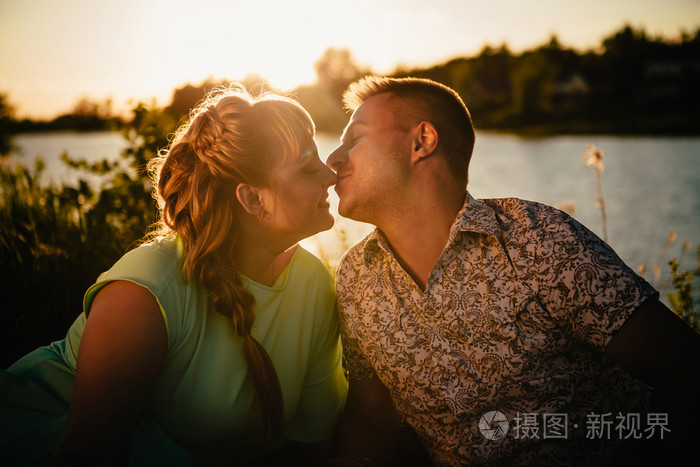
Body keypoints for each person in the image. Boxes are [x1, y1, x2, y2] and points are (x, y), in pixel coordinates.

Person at [325, 76, 700, 466]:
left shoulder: (536, 239)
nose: (332, 160)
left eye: (354, 140)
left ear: (421, 142)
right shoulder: (358, 277)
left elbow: (685, 369)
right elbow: (372, 422)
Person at [0, 84, 347, 466]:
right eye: (307, 166)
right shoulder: (145, 293)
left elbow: (314, 446)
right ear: (253, 199)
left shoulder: (313, 283)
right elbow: (87, 454)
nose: (330, 176)